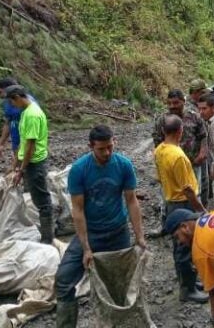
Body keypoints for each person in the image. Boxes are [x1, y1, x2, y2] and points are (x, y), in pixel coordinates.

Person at [55, 125, 147, 328]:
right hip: (91, 233)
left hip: (117, 232)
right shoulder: (80, 169)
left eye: (110, 147)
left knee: (120, 286)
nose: (107, 153)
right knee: (64, 281)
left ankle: (121, 323)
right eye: (101, 149)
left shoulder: (123, 165)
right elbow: (77, 210)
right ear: (91, 146)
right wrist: (86, 248)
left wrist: (139, 236)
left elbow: (131, 201)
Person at [154, 114, 209, 303]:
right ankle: (188, 289)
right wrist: (201, 210)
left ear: (163, 131)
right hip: (182, 203)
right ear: (180, 131)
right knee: (185, 247)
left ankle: (188, 282)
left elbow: (159, 177)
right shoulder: (178, 157)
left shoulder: (160, 150)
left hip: (170, 201)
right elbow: (188, 190)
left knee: (180, 246)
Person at [5, 85, 54, 244]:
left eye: (13, 102)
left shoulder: (32, 115)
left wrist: (21, 169)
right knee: (37, 197)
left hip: (35, 163)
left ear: (18, 98)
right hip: (30, 162)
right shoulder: (26, 112)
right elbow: (23, 142)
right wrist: (14, 165)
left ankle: (47, 238)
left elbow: (31, 146)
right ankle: (46, 234)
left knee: (42, 201)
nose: (13, 106)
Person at [153, 88, 210, 208]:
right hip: (171, 166)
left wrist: (202, 153)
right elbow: (157, 142)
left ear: (183, 101)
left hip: (193, 163)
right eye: (169, 103)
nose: (172, 106)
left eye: (175, 103)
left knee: (194, 192)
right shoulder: (162, 120)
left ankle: (197, 215)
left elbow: (203, 135)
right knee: (171, 196)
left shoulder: (194, 116)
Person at [0, 78, 35, 166]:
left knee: (26, 166)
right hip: (16, 136)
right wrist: (1, 143)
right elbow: (8, 122)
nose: (1, 95)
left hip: (28, 138)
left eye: (2, 92)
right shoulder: (7, 102)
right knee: (18, 165)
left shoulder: (27, 102)